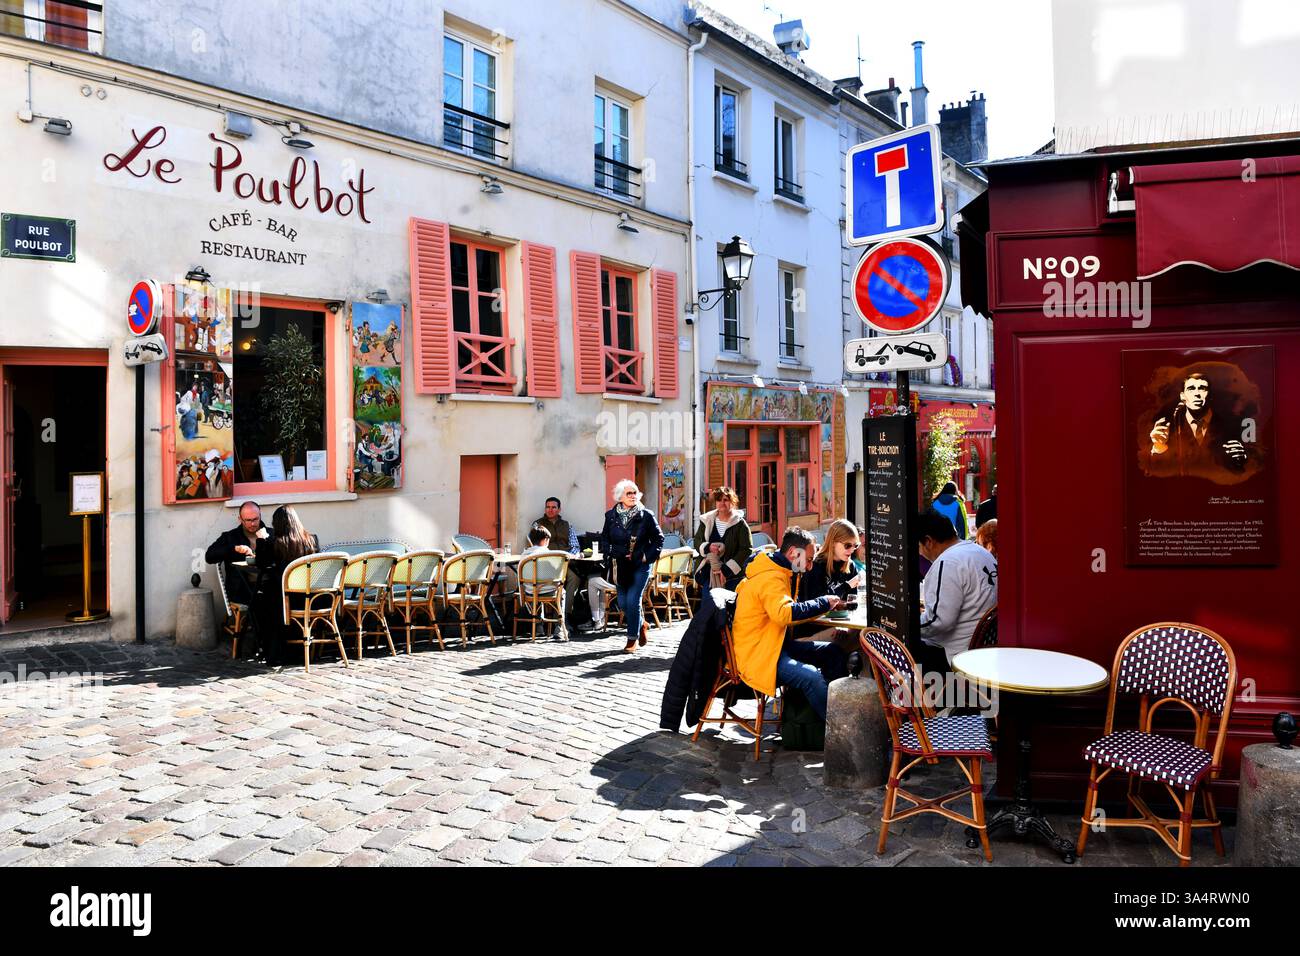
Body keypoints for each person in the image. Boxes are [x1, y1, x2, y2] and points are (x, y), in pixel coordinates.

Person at [731, 527, 844, 721]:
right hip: (760, 654)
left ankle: (820, 722)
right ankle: (839, 729)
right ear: (793, 552)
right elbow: (784, 613)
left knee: (833, 652)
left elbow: (787, 611)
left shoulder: (781, 570)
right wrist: (823, 602)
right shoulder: (771, 577)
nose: (809, 566)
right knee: (812, 677)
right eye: (808, 560)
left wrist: (822, 606)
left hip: (774, 645)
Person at [916, 508, 998, 672]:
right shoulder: (981, 552)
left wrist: (904, 624)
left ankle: (920, 698)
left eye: (918, 546)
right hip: (987, 648)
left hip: (960, 658)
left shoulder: (947, 562)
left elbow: (938, 622)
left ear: (928, 541)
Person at [598, 479, 664, 653]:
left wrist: (645, 556)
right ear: (620, 496)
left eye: (635, 492)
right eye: (629, 493)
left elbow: (659, 539)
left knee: (633, 600)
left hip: (640, 565)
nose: (633, 496)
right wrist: (611, 551)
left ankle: (631, 639)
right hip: (619, 565)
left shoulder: (646, 515)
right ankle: (642, 623)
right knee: (622, 602)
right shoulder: (610, 516)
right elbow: (605, 539)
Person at [1148, 372, 1249, 479]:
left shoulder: (1230, 425)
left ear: (1209, 395)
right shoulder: (1170, 424)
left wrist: (1239, 461)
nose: (1197, 394)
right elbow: (1154, 474)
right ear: (1183, 396)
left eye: (1202, 388)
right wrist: (1158, 447)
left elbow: (1241, 471)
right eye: (1191, 389)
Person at [254, 505, 319, 668]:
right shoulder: (312, 540)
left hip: (282, 600)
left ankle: (273, 652)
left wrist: (261, 540)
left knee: (259, 603)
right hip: (309, 598)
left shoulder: (274, 543)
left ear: (277, 524)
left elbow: (261, 564)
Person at [205, 501, 268, 606]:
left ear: (260, 516)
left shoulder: (271, 534)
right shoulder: (230, 537)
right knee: (263, 602)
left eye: (255, 519)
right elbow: (209, 556)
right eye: (248, 520)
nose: (252, 524)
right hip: (242, 589)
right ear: (240, 520)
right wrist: (234, 548)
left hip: (269, 585)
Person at [692, 486, 752, 591]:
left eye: (726, 500)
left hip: (733, 576)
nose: (722, 503)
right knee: (710, 602)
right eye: (719, 500)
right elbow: (697, 541)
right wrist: (708, 547)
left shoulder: (740, 524)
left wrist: (726, 570)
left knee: (731, 605)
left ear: (732, 502)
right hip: (709, 574)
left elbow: (746, 549)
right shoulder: (707, 521)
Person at [518, 525, 567, 641]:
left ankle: (539, 628)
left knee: (536, 588)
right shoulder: (549, 554)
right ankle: (559, 629)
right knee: (561, 592)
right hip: (549, 591)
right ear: (545, 540)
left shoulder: (524, 555)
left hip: (530, 591)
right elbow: (556, 573)